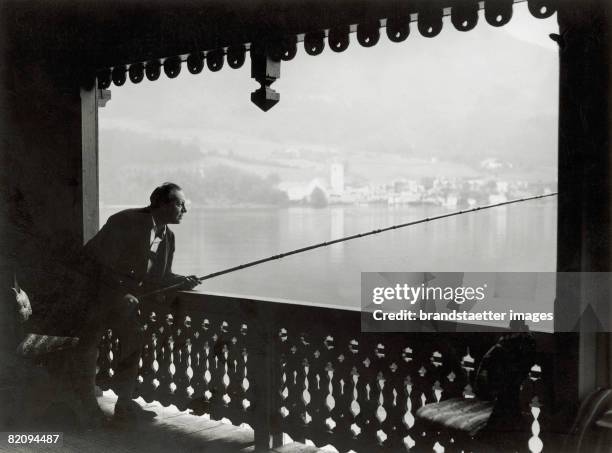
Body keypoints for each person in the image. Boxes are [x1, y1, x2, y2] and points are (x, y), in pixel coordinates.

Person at [75, 182, 200, 424]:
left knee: (134, 339)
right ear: (161, 203)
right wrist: (120, 293)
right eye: (180, 204)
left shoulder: (168, 236)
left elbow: (159, 277)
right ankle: (87, 405)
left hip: (126, 305)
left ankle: (124, 404)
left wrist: (181, 280)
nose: (184, 210)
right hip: (97, 298)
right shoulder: (125, 221)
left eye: (185, 205)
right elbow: (94, 262)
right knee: (88, 348)